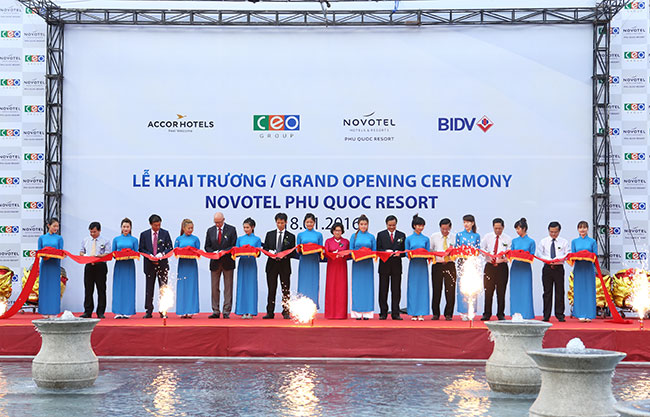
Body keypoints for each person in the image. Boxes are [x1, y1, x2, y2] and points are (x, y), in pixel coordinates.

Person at [262, 212, 296, 319]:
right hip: (272, 265)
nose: (280, 225)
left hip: (284, 266)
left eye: (282, 223)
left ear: (286, 222)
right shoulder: (270, 234)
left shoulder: (291, 236)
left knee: (285, 290)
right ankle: (270, 312)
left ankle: (286, 311)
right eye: (278, 223)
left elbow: (292, 252)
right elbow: (265, 248)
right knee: (271, 289)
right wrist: (271, 252)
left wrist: (284, 255)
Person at [139, 214, 173, 319]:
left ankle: (163, 310)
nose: (157, 227)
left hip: (162, 264)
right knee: (149, 288)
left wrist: (162, 254)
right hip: (149, 264)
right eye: (155, 225)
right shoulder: (144, 234)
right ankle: (148, 310)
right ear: (150, 224)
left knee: (163, 288)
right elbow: (141, 249)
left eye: (159, 225)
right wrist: (149, 255)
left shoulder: (165, 233)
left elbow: (170, 247)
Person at [204, 212, 237, 319]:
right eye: (215, 222)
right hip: (215, 262)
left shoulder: (231, 229)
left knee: (228, 288)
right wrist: (214, 252)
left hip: (228, 262)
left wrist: (224, 251)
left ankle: (226, 311)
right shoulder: (210, 230)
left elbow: (234, 245)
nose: (217, 224)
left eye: (219, 222)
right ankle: (215, 310)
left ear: (223, 220)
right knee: (214, 288)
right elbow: (207, 246)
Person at [480, 218, 511, 321]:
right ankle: (487, 313)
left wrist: (503, 257)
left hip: (502, 267)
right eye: (496, 228)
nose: (498, 230)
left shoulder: (508, 239)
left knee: (501, 292)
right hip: (489, 267)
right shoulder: (487, 237)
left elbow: (510, 253)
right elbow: (481, 248)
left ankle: (500, 314)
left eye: (500, 228)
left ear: (503, 227)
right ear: (493, 227)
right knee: (488, 291)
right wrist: (487, 254)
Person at [537, 221, 569, 322]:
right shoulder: (543, 241)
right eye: (551, 232)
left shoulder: (564, 242)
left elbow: (567, 254)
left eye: (555, 232)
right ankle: (546, 315)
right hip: (547, 268)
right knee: (547, 292)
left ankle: (560, 315)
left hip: (558, 268)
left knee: (560, 291)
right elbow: (539, 254)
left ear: (559, 231)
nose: (553, 234)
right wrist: (549, 260)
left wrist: (557, 259)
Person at [376, 215, 406, 320]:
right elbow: (377, 250)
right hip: (384, 265)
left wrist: (399, 253)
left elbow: (405, 251)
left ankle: (395, 313)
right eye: (390, 225)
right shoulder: (381, 235)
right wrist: (385, 252)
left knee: (396, 290)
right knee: (383, 290)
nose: (392, 227)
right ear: (386, 224)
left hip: (396, 266)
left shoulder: (401, 235)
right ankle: (383, 313)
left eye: (393, 225)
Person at [79, 221, 111, 319]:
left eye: (94, 232)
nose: (92, 234)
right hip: (89, 266)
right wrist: (86, 256)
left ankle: (100, 312)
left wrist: (98, 257)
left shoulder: (105, 241)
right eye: (91, 232)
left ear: (99, 230)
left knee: (101, 289)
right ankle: (87, 311)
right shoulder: (85, 240)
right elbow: (81, 252)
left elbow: (108, 253)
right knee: (88, 289)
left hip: (100, 266)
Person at [349, 215, 377, 320]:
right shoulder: (354, 236)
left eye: (365, 224)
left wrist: (368, 254)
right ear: (358, 225)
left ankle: (367, 313)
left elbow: (374, 251)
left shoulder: (371, 237)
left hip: (367, 265)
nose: (363, 226)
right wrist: (357, 254)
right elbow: (351, 250)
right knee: (357, 287)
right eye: (361, 224)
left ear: (368, 225)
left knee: (367, 287)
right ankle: (356, 312)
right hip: (357, 264)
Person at [571, 220, 598, 322]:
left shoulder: (592, 241)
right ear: (578, 229)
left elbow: (595, 255)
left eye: (584, 227)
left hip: (588, 268)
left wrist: (587, 255)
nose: (582, 230)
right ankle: (580, 314)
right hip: (578, 268)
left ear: (587, 229)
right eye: (580, 227)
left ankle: (589, 314)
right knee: (579, 290)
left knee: (589, 290)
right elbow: (573, 255)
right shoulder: (574, 241)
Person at [235, 217, 262, 319]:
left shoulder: (257, 239)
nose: (245, 229)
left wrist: (252, 251)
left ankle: (251, 311)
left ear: (253, 227)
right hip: (242, 264)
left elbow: (258, 254)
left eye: (247, 227)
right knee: (242, 286)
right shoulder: (240, 239)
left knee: (251, 287)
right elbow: (236, 252)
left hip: (251, 264)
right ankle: (241, 311)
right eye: (244, 227)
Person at [430, 218, 457, 321]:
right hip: (437, 265)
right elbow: (431, 250)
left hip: (450, 265)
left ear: (450, 227)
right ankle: (435, 314)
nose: (445, 231)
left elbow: (457, 252)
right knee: (436, 289)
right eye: (443, 229)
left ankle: (448, 314)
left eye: (447, 229)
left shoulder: (454, 238)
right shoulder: (434, 237)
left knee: (450, 290)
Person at [112, 218, 139, 319]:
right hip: (119, 265)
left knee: (129, 288)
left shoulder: (134, 240)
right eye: (124, 227)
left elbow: (137, 253)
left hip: (129, 266)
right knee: (118, 288)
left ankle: (128, 311)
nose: (126, 229)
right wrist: (120, 254)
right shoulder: (116, 239)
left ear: (130, 228)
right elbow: (113, 253)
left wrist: (129, 253)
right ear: (121, 227)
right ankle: (118, 311)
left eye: (127, 227)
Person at [455, 214, 480, 320]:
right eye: (464, 222)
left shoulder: (476, 236)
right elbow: (456, 248)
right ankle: (463, 311)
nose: (466, 224)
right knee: (462, 286)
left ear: (472, 223)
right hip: (462, 262)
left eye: (468, 222)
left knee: (472, 286)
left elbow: (478, 249)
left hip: (472, 262)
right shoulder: (459, 235)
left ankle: (472, 310)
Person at [37, 217, 64, 318]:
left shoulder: (59, 238)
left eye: (57, 226)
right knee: (44, 287)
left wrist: (54, 255)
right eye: (54, 226)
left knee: (54, 288)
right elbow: (39, 251)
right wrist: (45, 256)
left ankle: (54, 311)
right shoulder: (42, 238)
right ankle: (44, 311)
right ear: (48, 226)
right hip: (45, 265)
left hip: (54, 265)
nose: (56, 228)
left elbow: (61, 251)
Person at [510, 217, 536, 319]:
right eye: (516, 229)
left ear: (524, 228)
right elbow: (511, 253)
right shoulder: (514, 241)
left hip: (525, 268)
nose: (517, 231)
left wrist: (523, 255)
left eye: (518, 228)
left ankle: (527, 313)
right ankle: (515, 313)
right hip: (515, 268)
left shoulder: (531, 242)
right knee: (515, 291)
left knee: (526, 291)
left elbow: (532, 255)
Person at [296, 213, 323, 308]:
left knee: (313, 284)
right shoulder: (300, 235)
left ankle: (313, 306)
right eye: (307, 222)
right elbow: (297, 250)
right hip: (304, 261)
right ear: (304, 223)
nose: (309, 224)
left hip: (314, 261)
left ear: (314, 223)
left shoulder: (319, 235)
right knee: (303, 283)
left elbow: (321, 249)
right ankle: (301, 306)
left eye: (311, 222)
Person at [175, 219, 201, 319]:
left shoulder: (196, 239)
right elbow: (175, 251)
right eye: (188, 228)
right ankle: (182, 310)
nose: (190, 230)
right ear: (183, 228)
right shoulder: (178, 239)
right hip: (182, 265)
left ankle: (191, 310)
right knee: (182, 287)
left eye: (192, 228)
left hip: (192, 265)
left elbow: (198, 251)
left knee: (191, 287)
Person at [406, 214, 430, 321]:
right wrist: (411, 254)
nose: (421, 227)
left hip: (422, 266)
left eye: (422, 225)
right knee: (413, 289)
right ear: (414, 226)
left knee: (423, 289)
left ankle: (422, 313)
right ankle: (413, 313)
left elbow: (428, 252)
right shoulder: (409, 239)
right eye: (419, 225)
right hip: (414, 265)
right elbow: (406, 253)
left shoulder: (426, 239)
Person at [324, 222, 350, 319]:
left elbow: (349, 254)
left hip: (342, 267)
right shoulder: (328, 241)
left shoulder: (346, 241)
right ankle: (330, 314)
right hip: (332, 266)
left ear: (342, 231)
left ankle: (341, 314)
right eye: (335, 230)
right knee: (331, 288)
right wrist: (333, 254)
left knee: (341, 289)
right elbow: (326, 253)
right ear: (332, 231)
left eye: (339, 230)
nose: (337, 232)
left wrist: (343, 254)